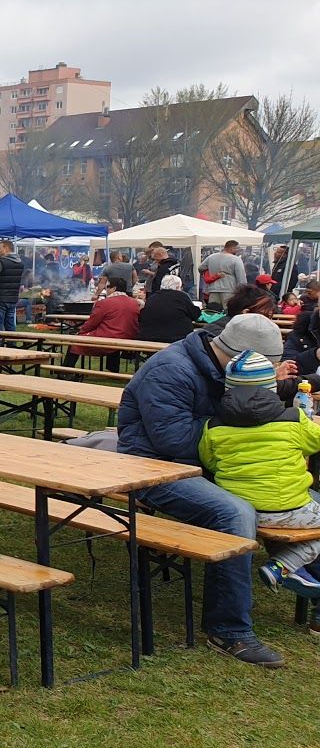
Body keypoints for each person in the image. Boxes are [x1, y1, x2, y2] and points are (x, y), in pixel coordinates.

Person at [118, 312, 285, 667]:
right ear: (244, 358)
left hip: (214, 461)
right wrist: (245, 429)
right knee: (235, 513)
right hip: (153, 467)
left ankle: (313, 600)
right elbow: (173, 439)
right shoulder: (171, 369)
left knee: (304, 499)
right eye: (268, 368)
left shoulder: (224, 368)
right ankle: (229, 631)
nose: (270, 375)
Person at [197, 350, 320, 600]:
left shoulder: (214, 426)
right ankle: (285, 564)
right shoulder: (293, 419)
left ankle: (295, 569)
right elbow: (315, 442)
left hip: (239, 510)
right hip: (289, 509)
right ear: (272, 386)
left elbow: (209, 461)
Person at [65, 285, 141, 373]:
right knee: (114, 339)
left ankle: (66, 371)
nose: (106, 290)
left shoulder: (104, 303)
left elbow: (92, 323)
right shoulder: (135, 303)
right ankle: (113, 370)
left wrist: (81, 332)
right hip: (128, 337)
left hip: (110, 337)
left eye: (107, 287)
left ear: (114, 288)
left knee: (75, 341)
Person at [137, 274, 199, 343]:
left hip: (148, 337)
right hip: (176, 338)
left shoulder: (152, 297)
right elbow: (195, 315)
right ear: (178, 287)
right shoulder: (182, 296)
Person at [0, 239, 24, 332]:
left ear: (6, 248)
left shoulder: (2, 262)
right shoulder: (20, 263)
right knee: (10, 325)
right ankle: (11, 341)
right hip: (13, 298)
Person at [200, 240, 246, 309]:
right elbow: (241, 278)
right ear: (232, 248)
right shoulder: (236, 259)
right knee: (228, 311)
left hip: (213, 290)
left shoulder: (211, 257)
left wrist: (210, 275)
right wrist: (243, 292)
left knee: (213, 311)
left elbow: (201, 268)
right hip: (229, 290)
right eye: (237, 249)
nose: (237, 251)